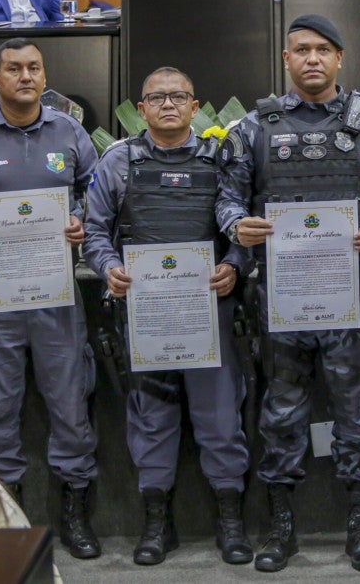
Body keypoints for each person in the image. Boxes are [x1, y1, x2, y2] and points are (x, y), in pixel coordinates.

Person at [216, 14, 360, 573]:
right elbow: (227, 198)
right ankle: (281, 529)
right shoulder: (254, 127)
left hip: (352, 307)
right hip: (280, 304)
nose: (313, 59)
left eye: (323, 49)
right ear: (286, 59)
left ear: (340, 58)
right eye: (301, 50)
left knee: (357, 416)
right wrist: (237, 227)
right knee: (279, 417)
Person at [83, 67, 253, 566]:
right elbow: (95, 232)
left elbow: (244, 229)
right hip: (145, 315)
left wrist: (235, 266)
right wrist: (108, 266)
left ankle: (231, 522)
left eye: (178, 96)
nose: (168, 105)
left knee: (222, 419)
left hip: (211, 313)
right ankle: (157, 524)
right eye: (156, 98)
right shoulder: (117, 162)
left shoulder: (222, 160)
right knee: (151, 421)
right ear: (141, 107)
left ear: (196, 105)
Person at [0, 37, 99, 558]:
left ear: (44, 77)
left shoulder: (70, 132)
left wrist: (81, 220)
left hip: (57, 296)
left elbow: (99, 192)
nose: (25, 76)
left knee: (70, 406)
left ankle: (75, 514)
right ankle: (7, 521)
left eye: (34, 68)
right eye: (14, 69)